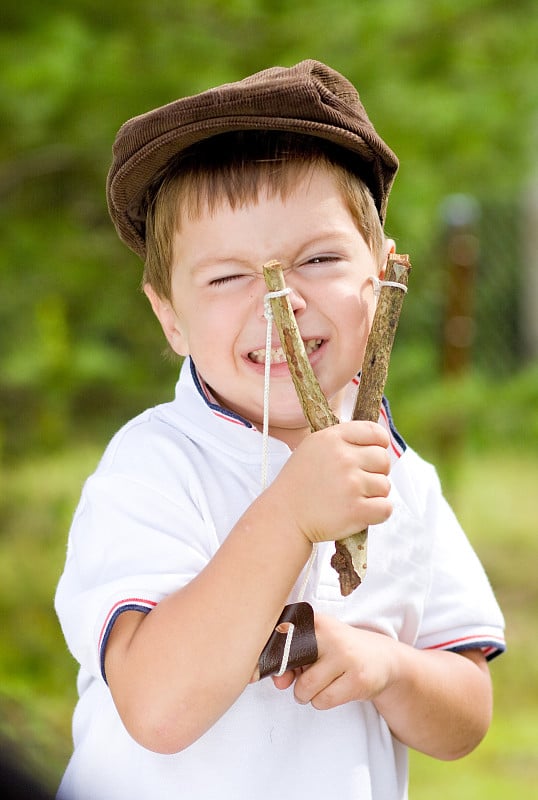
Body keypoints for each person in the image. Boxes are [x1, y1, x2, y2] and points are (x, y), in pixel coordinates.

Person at [55, 60, 505, 800]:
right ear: (169, 314)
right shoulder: (154, 465)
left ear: (384, 275)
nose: (281, 302)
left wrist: (387, 666)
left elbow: (467, 712)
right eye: (229, 277)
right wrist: (293, 511)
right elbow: (157, 708)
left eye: (320, 259)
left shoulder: (401, 478)